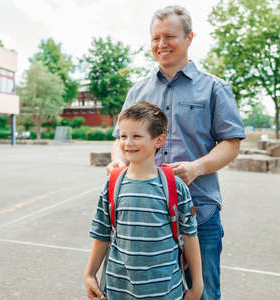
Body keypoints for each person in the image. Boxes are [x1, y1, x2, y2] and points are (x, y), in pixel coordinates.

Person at [107, 5, 246, 300]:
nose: (161, 44)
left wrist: (196, 168)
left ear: (189, 37)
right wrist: (117, 161)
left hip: (200, 211)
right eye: (155, 38)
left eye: (169, 36)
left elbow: (232, 144)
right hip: (146, 216)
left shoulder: (214, 88)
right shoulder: (138, 90)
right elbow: (120, 140)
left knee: (203, 294)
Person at [85, 101, 203, 300]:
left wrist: (197, 285)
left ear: (159, 140)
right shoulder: (113, 183)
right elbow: (101, 233)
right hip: (119, 290)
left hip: (165, 292)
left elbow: (190, 236)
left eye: (137, 136)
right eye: (123, 136)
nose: (127, 143)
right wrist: (89, 274)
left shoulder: (175, 187)